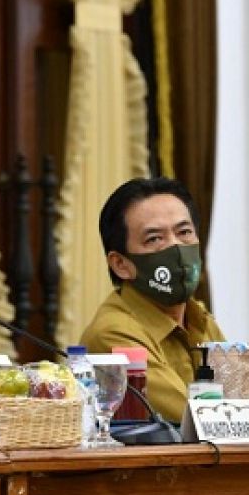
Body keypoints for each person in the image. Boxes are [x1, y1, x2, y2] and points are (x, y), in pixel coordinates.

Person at [80, 177, 225, 423]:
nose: (176, 246)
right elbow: (202, 419)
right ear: (121, 264)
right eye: (155, 239)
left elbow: (241, 400)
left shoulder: (197, 316)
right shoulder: (112, 333)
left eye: (184, 232)